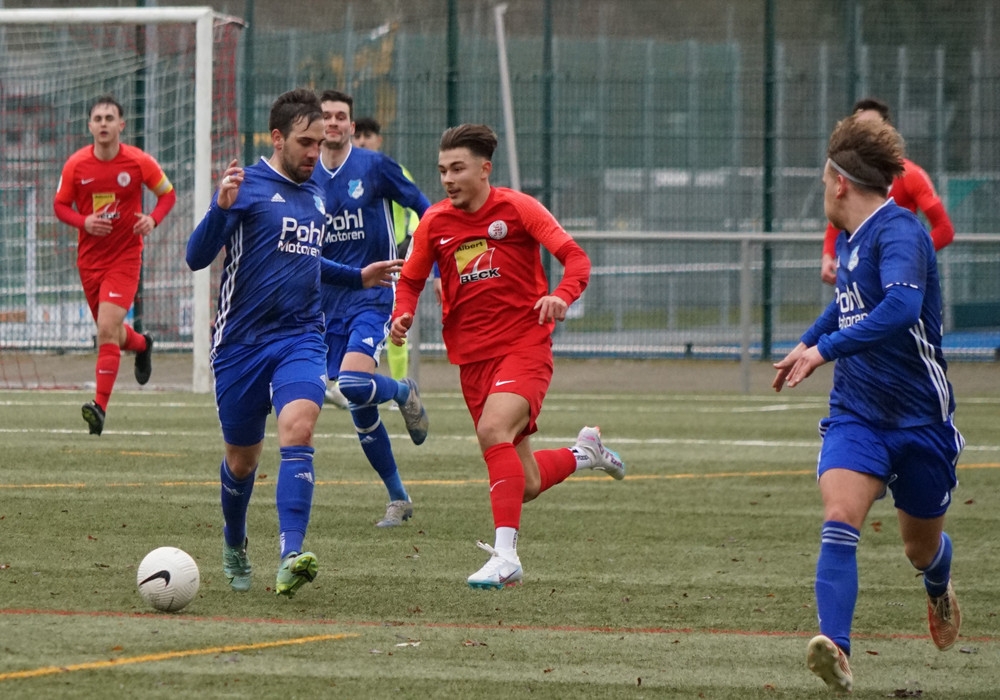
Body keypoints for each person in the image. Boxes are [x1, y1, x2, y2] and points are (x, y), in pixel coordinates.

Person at [773, 114, 964, 693]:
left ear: (839, 183)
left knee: (919, 548)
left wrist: (824, 349)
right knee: (839, 517)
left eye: (822, 182)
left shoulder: (900, 232)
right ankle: (837, 649)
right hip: (858, 414)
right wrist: (809, 340)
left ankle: (937, 583)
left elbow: (900, 309)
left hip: (920, 420)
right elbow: (847, 303)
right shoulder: (852, 241)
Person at [185, 88, 402, 597]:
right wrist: (218, 208)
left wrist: (357, 277)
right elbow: (196, 258)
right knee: (241, 461)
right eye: (306, 142)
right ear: (277, 138)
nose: (314, 152)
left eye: (320, 142)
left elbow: (306, 260)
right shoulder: (246, 187)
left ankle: (290, 554)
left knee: (298, 429)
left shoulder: (317, 194)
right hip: (240, 344)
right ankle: (234, 540)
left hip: (301, 335)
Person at [389, 124, 626, 590]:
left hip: (524, 347)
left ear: (485, 169)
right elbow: (411, 280)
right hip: (472, 361)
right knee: (528, 483)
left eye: (458, 169)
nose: (448, 179)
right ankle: (585, 454)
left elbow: (576, 259)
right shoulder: (435, 221)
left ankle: (506, 558)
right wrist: (402, 314)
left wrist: (561, 295)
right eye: (442, 170)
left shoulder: (518, 209)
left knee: (492, 428)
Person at [311, 91, 432, 529]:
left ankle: (402, 392)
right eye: (326, 116)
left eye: (340, 116)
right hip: (325, 303)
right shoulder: (305, 174)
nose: (333, 123)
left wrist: (424, 260)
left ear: (350, 125)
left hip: (373, 295)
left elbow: (426, 210)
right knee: (360, 407)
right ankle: (398, 498)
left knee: (353, 384)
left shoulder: (374, 167)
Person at [53, 94, 176, 436]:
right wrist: (84, 222)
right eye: (98, 118)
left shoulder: (138, 161)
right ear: (90, 126)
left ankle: (99, 408)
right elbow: (60, 206)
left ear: (121, 125)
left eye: (110, 118)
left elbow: (167, 194)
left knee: (105, 329)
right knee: (111, 332)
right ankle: (142, 344)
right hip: (89, 262)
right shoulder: (76, 165)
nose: (104, 123)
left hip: (125, 258)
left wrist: (152, 219)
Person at [820, 97, 954, 285]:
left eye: (870, 126)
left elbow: (944, 230)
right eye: (858, 128)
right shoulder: (848, 176)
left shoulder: (910, 175)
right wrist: (828, 256)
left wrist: (908, 256)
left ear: (887, 130)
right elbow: (838, 215)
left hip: (897, 279)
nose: (864, 133)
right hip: (859, 279)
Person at [352, 116, 443, 385]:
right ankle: (348, 382)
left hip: (392, 260)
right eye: (358, 136)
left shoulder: (390, 171)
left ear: (379, 140)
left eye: (368, 136)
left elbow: (418, 210)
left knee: (396, 323)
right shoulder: (342, 172)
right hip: (356, 263)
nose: (362, 141)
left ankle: (400, 386)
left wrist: (412, 241)